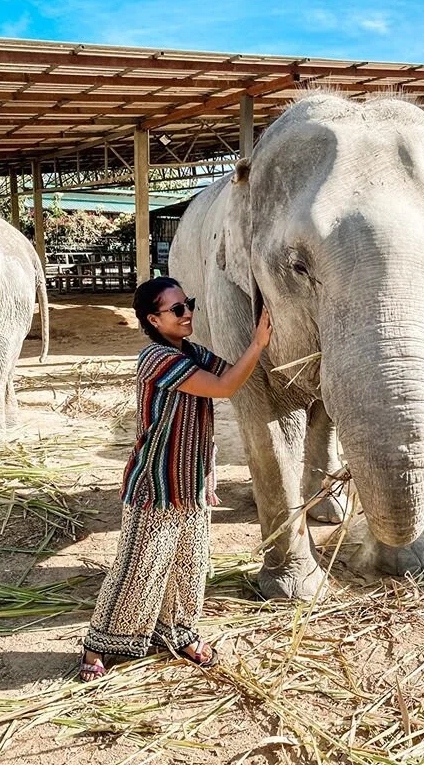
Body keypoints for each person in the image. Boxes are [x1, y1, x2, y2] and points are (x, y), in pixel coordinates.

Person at [79, 276, 272, 681]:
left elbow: (234, 372)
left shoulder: (192, 351)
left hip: (193, 482)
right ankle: (98, 644)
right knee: (140, 567)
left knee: (190, 564)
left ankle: (179, 633)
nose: (188, 315)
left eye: (189, 305)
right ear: (153, 318)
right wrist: (257, 343)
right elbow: (223, 386)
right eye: (177, 309)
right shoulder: (156, 359)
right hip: (157, 483)